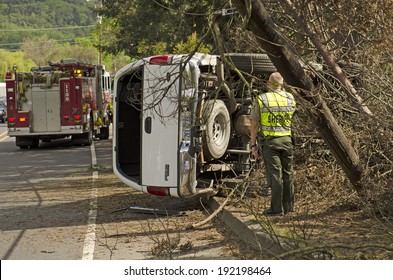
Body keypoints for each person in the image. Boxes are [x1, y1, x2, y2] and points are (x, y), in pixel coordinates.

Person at [249, 72, 296, 216]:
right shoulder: (289, 98)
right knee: (288, 174)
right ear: (282, 84)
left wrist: (253, 145)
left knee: (276, 175)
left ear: (269, 84)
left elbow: (254, 124)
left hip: (271, 142)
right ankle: (288, 207)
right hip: (287, 140)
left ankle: (276, 209)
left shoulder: (262, 99)